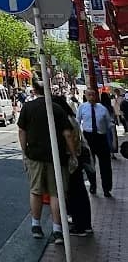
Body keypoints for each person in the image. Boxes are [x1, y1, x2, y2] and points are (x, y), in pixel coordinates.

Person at [17, 80, 77, 245]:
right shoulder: (56, 108)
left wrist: (24, 152)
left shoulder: (28, 108)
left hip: (34, 155)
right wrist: (73, 154)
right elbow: (67, 134)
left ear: (34, 91)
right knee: (56, 193)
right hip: (57, 156)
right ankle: (57, 230)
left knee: (35, 190)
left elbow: (21, 131)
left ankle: (36, 225)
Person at [53, 95, 93, 237]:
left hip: (71, 160)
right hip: (77, 158)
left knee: (74, 192)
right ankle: (85, 224)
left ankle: (80, 226)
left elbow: (68, 137)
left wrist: (73, 155)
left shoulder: (65, 121)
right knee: (80, 192)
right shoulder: (73, 119)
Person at [76, 88, 113, 197]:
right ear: (86, 96)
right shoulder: (82, 107)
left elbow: (109, 124)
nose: (91, 97)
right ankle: (93, 185)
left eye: (93, 95)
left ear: (96, 96)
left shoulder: (102, 109)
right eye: (89, 95)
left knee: (105, 164)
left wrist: (110, 138)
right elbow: (77, 122)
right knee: (89, 164)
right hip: (88, 137)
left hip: (101, 137)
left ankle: (107, 188)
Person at [100, 91, 118, 158]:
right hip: (112, 123)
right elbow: (114, 115)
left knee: (106, 138)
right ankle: (112, 153)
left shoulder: (101, 107)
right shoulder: (110, 107)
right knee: (112, 138)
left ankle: (108, 152)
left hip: (104, 124)